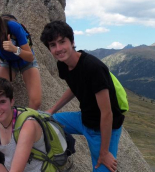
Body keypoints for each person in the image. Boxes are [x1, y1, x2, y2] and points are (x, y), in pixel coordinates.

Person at [40, 21, 124, 172]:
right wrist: (51, 110)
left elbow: (107, 113)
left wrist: (104, 153)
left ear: (72, 42)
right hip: (84, 119)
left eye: (62, 42)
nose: (58, 49)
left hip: (103, 128)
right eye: (53, 45)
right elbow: (74, 87)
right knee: (44, 121)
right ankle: (60, 155)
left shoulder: (93, 67)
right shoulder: (63, 65)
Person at [0, 6, 42, 110]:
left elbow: (30, 57)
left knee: (36, 102)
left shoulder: (12, 26)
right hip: (8, 62)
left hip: (25, 60)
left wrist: (14, 49)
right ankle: (7, 119)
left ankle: (27, 122)